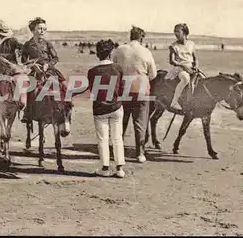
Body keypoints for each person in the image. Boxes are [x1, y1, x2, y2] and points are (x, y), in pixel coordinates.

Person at [79, 40, 126, 178]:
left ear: (97, 54)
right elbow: (122, 89)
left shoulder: (92, 71)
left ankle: (105, 168)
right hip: (116, 106)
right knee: (117, 138)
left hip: (100, 108)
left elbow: (93, 91)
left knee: (102, 139)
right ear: (111, 53)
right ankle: (119, 168)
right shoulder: (118, 68)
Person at [112, 25, 157, 163]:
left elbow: (114, 67)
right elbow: (153, 74)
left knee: (122, 121)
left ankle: (117, 152)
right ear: (141, 37)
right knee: (140, 122)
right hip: (141, 88)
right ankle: (140, 153)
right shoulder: (146, 52)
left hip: (124, 87)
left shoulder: (120, 50)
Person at [20, 17, 64, 123]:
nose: (42, 31)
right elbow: (24, 60)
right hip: (34, 71)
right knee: (30, 89)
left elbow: (55, 58)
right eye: (39, 29)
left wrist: (48, 65)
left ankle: (61, 110)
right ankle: (28, 112)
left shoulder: (48, 44)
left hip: (48, 70)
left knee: (61, 86)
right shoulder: (27, 44)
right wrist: (33, 66)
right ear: (33, 30)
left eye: (44, 29)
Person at [166, 23, 198, 111]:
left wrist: (196, 66)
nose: (175, 33)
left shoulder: (191, 44)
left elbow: (195, 58)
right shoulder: (173, 46)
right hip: (179, 68)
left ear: (184, 32)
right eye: (174, 31)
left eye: (177, 31)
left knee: (202, 80)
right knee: (186, 79)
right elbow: (172, 61)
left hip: (191, 68)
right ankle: (174, 102)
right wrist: (184, 66)